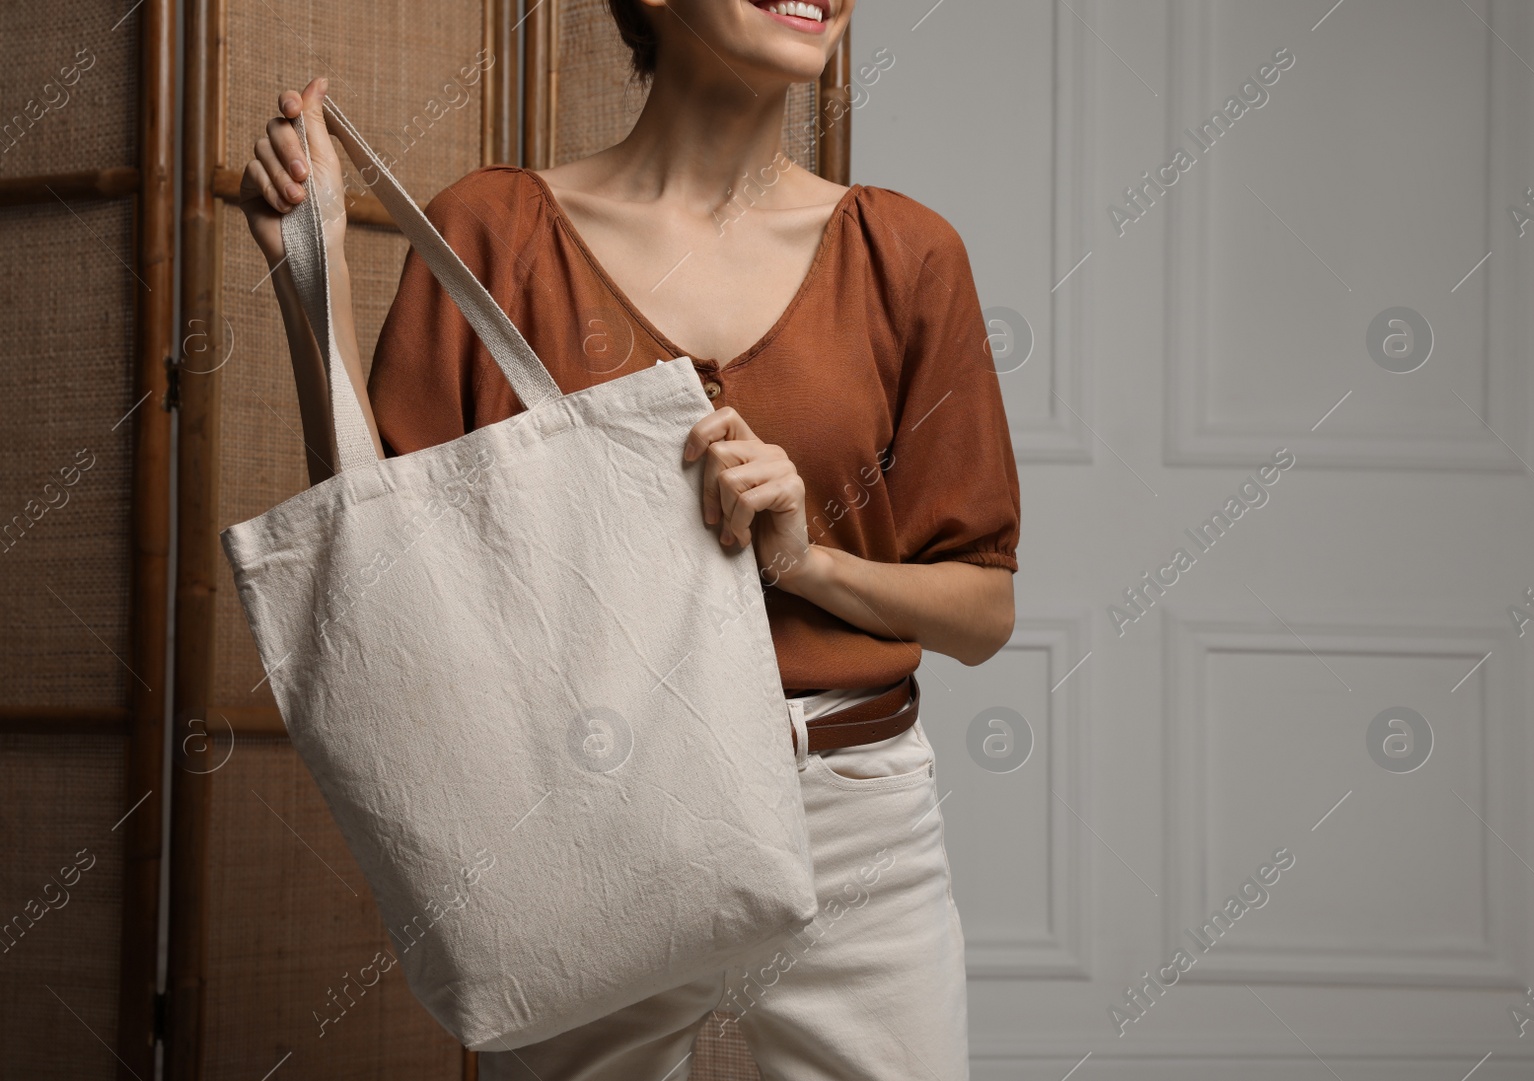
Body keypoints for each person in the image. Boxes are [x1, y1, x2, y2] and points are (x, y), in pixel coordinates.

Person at [239, 1, 1019, 1077]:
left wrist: (808, 562)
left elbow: (981, 612)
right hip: (585, 817)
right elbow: (384, 579)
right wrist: (304, 275)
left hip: (852, 816)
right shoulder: (493, 234)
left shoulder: (905, 253)